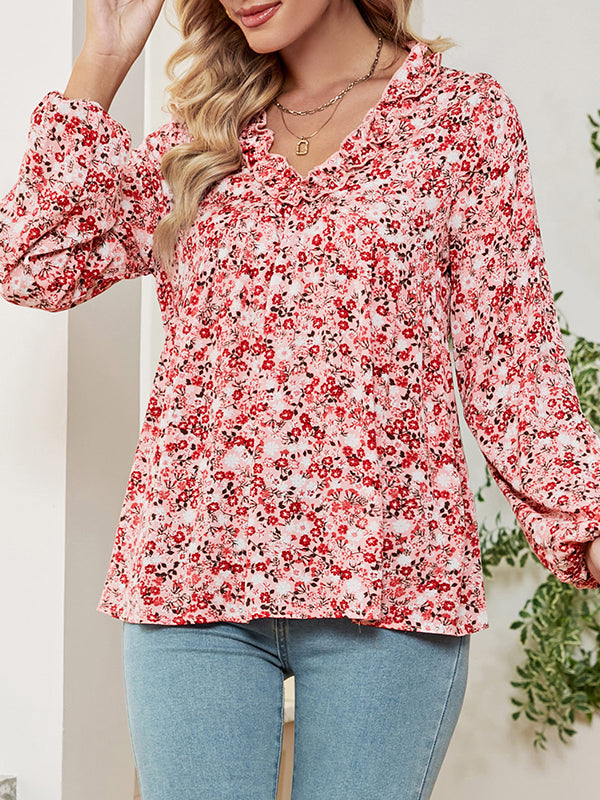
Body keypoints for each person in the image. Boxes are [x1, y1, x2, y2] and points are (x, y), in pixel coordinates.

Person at [1, 1, 600, 798]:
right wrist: (104, 58)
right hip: (192, 579)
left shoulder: (461, 120)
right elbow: (33, 259)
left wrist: (585, 524)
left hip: (389, 585)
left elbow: (514, 364)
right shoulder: (199, 137)